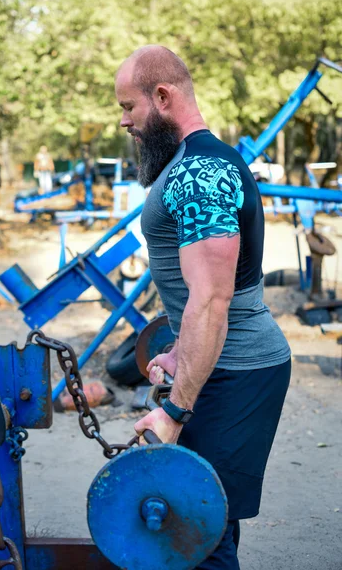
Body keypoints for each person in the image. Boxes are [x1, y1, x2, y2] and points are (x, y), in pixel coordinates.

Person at [115, 45, 291, 569]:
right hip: (225, 365)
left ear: (163, 97)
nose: (124, 122)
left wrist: (173, 412)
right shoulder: (192, 166)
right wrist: (178, 353)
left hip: (238, 372)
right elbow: (206, 298)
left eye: (129, 107)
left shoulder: (200, 175)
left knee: (200, 534)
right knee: (201, 523)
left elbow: (212, 300)